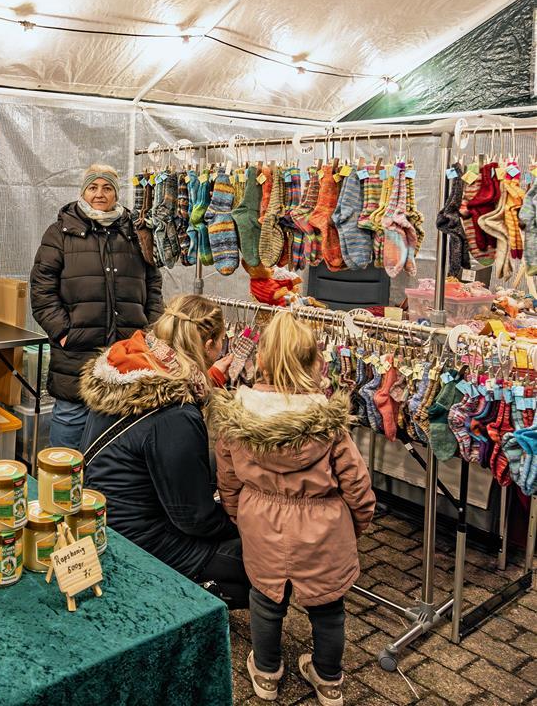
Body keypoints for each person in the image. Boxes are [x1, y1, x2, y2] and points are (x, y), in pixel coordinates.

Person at [211, 312, 375, 706]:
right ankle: (329, 680)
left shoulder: (237, 417)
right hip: (323, 526)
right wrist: (358, 522)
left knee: (266, 601)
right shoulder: (328, 423)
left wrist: (238, 515)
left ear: (261, 361)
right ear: (314, 362)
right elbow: (356, 481)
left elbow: (228, 478)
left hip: (262, 522)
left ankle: (267, 673)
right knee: (329, 606)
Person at [78, 294, 249, 608]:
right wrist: (241, 522)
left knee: (212, 465)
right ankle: (189, 604)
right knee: (261, 564)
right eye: (222, 342)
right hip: (133, 540)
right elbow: (193, 519)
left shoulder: (135, 366)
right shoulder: (177, 414)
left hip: (104, 515)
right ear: (209, 344)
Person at [31, 164, 163, 449]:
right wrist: (65, 332)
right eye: (93, 187)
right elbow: (42, 291)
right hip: (77, 351)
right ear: (83, 191)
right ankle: (62, 490)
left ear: (116, 193)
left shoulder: (135, 233)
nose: (99, 194)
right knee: (70, 424)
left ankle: (100, 492)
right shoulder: (60, 233)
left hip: (127, 350)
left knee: (117, 435)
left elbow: (153, 284)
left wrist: (149, 330)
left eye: (107, 188)